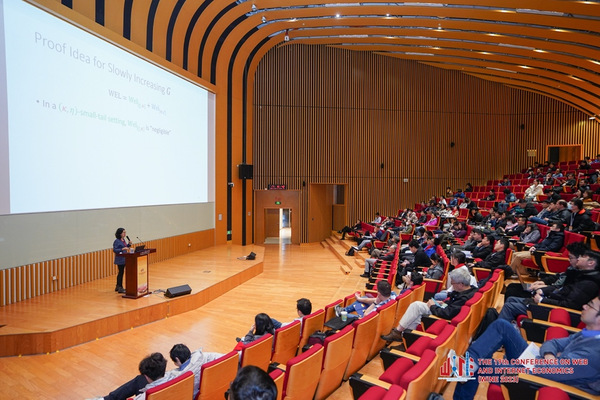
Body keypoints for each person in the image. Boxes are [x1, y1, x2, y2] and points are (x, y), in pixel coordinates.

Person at [453, 296, 600, 399]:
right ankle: (468, 364)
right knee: (502, 326)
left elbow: (552, 371)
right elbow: (553, 344)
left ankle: (468, 368)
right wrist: (549, 354)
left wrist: (516, 363)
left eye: (590, 305)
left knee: (480, 366)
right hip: (541, 365)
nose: (584, 306)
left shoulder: (594, 353)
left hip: (540, 380)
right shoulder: (590, 333)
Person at [499, 250, 600, 322]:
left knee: (510, 306)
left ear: (591, 263)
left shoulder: (589, 283)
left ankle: (500, 336)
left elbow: (569, 305)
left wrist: (543, 300)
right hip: (551, 301)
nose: (579, 259)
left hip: (555, 311)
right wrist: (544, 291)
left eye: (582, 257)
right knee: (511, 298)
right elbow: (562, 290)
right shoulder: (580, 275)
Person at [381, 268, 477, 341]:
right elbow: (452, 303)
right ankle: (407, 339)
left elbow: (447, 314)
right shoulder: (471, 290)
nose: (452, 285)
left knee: (416, 306)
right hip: (444, 309)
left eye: (453, 283)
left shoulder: (464, 298)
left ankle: (398, 332)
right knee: (416, 314)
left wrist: (432, 306)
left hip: (444, 318)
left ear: (461, 284)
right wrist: (443, 302)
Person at [96, 353, 168, 400]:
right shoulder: (172, 376)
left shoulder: (145, 396)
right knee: (139, 380)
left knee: (139, 380)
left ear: (146, 376)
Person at [113, 227, 132, 294]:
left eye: (125, 232)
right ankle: (120, 287)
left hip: (124, 258)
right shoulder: (117, 241)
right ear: (120, 233)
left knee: (121, 272)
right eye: (123, 232)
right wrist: (122, 249)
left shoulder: (123, 240)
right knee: (121, 272)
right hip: (120, 259)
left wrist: (128, 244)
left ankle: (118, 286)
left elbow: (125, 247)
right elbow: (115, 250)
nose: (124, 234)